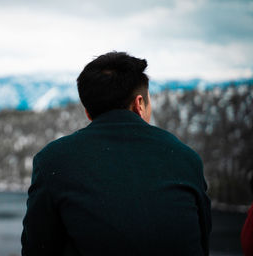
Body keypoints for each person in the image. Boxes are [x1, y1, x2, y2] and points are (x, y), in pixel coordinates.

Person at [21, 51, 212, 256]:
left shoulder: (53, 161)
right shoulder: (186, 158)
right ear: (139, 104)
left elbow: (37, 248)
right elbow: (202, 240)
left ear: (88, 112)